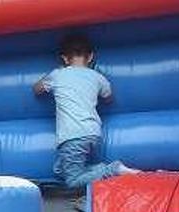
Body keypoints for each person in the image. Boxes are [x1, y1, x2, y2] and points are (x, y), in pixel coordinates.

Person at [34, 33, 138, 188]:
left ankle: (113, 170)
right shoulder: (97, 77)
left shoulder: (57, 75)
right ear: (90, 57)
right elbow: (109, 98)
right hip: (93, 133)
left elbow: (36, 89)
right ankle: (102, 169)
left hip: (71, 136)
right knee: (59, 170)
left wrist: (53, 76)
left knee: (72, 181)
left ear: (64, 58)